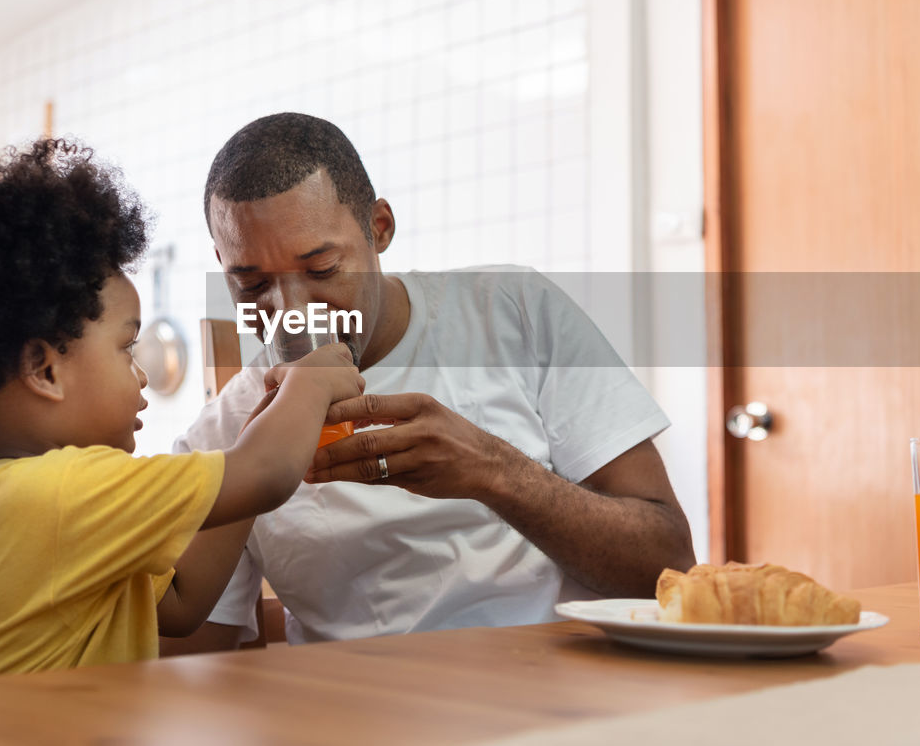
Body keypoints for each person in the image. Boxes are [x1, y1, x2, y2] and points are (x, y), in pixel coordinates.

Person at [0, 138, 363, 673]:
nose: (143, 373)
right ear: (44, 370)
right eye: (127, 349)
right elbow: (265, 474)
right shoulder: (59, 493)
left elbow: (181, 604)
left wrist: (263, 424)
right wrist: (308, 384)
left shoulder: (33, 499)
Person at [171, 113, 695, 649]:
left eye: (323, 269)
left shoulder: (512, 310)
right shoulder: (224, 437)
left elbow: (665, 566)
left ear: (379, 228)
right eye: (252, 283)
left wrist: (492, 472)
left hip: (554, 700)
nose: (292, 312)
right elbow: (186, 657)